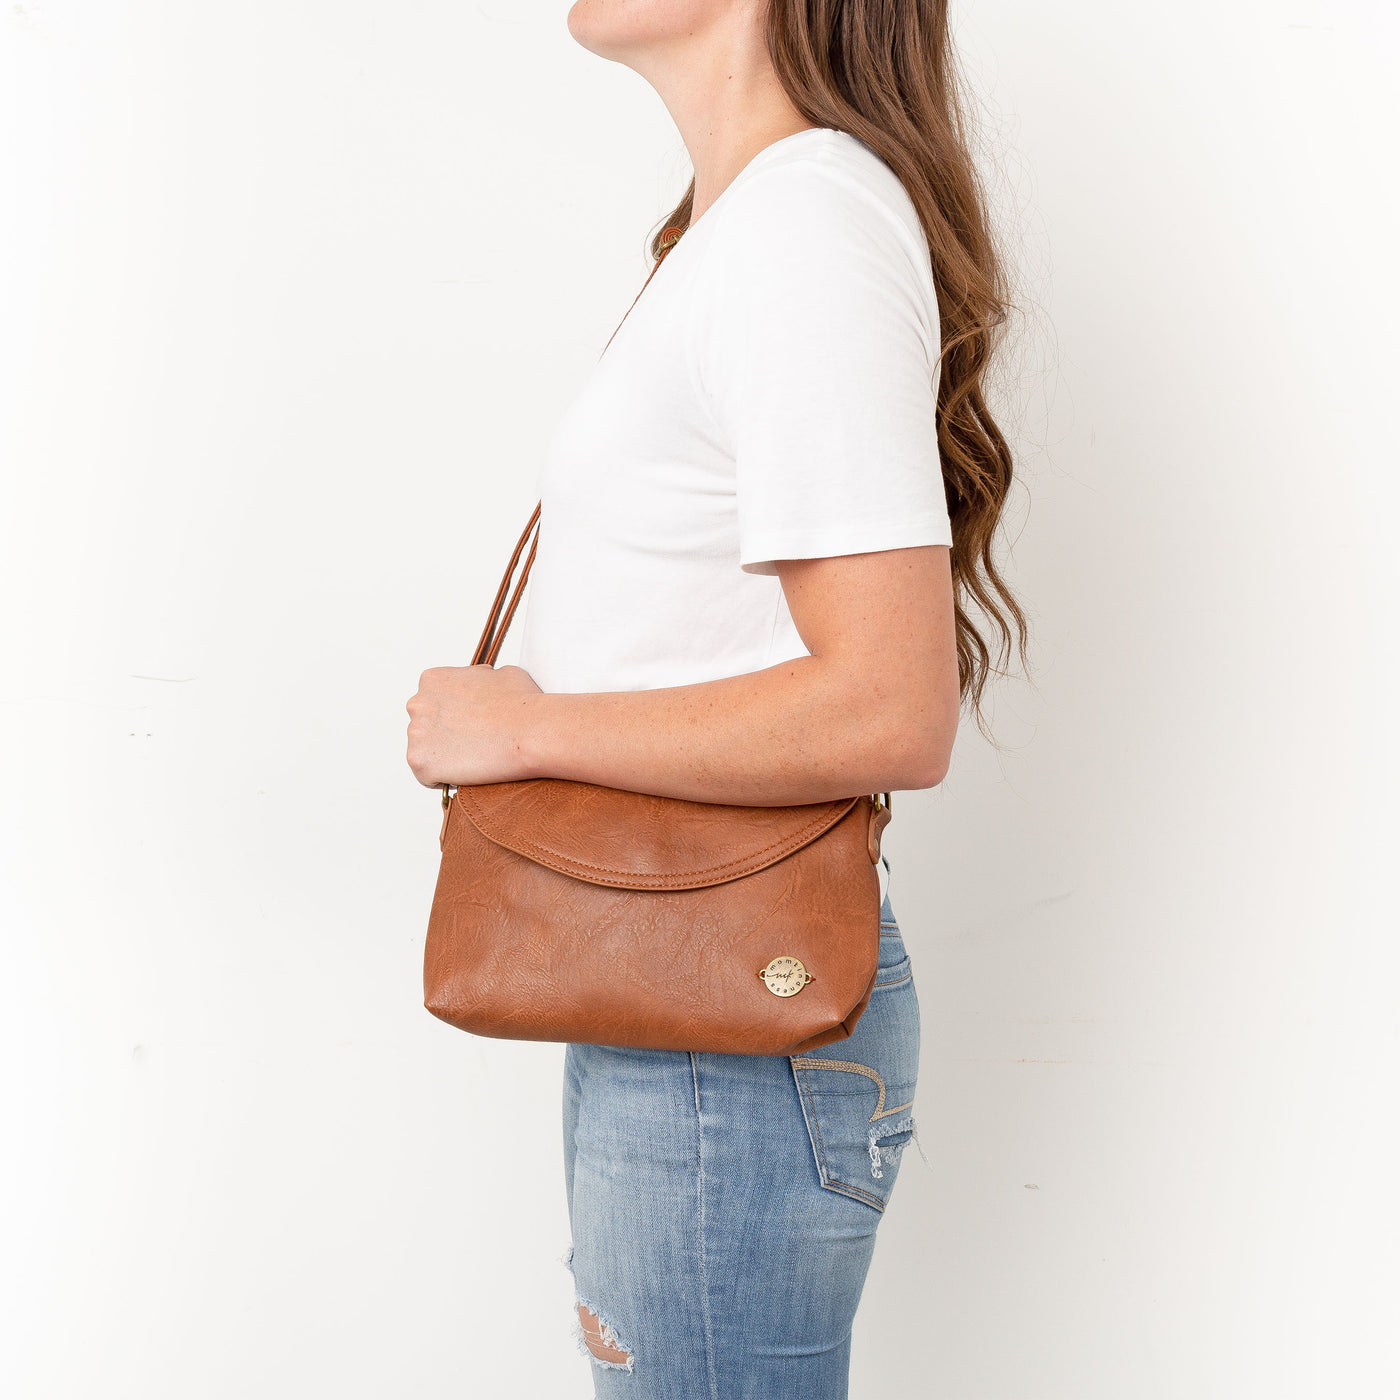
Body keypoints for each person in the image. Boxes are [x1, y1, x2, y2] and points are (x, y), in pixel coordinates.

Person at [406, 2, 1024, 1394]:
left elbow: (889, 707)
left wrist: (525, 727)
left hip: (728, 1029)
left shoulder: (805, 232)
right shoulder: (748, 228)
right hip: (681, 996)